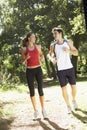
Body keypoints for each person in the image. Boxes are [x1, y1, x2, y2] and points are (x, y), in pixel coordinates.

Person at [48, 27, 78, 114]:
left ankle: (73, 100)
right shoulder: (53, 45)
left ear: (60, 33)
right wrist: (52, 59)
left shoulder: (68, 42)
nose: (54, 35)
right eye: (53, 34)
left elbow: (76, 52)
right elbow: (49, 55)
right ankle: (68, 106)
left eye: (55, 33)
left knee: (74, 87)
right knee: (63, 88)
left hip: (69, 68)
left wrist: (69, 50)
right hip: (60, 70)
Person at [21, 32, 47, 120]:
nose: (34, 38)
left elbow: (41, 55)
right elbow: (22, 62)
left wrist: (42, 58)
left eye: (34, 37)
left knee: (40, 89)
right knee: (32, 91)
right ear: (29, 38)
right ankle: (35, 110)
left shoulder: (38, 47)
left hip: (38, 69)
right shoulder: (24, 49)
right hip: (29, 70)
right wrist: (26, 58)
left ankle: (43, 110)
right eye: (33, 37)